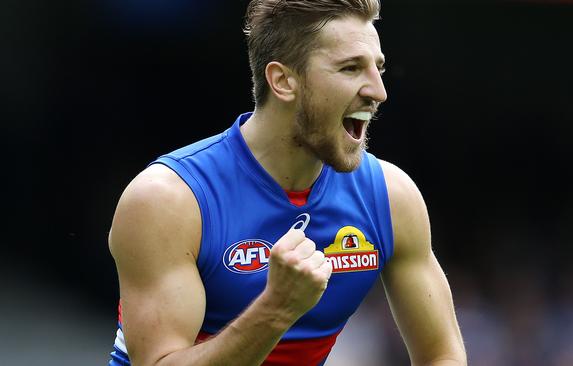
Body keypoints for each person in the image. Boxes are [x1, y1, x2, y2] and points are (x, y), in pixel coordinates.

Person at [107, 0, 466, 365]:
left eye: (378, 68)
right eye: (351, 68)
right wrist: (276, 309)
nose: (378, 92)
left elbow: (442, 355)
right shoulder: (168, 200)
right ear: (282, 81)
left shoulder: (391, 197)